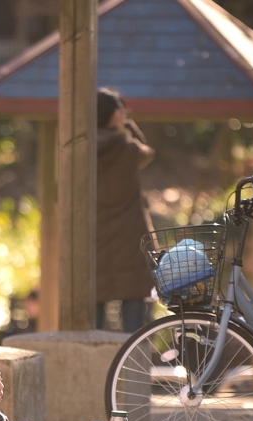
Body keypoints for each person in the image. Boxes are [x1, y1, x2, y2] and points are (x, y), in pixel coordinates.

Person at [95, 88, 156, 334]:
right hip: (130, 244)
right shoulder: (129, 151)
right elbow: (147, 152)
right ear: (115, 115)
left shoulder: (80, 151)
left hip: (95, 245)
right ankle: (133, 372)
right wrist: (127, 126)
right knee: (134, 329)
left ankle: (92, 373)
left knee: (92, 325)